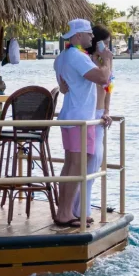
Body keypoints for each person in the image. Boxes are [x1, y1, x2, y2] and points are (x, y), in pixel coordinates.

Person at [53, 19, 113, 227]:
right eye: (88, 33)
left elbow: (63, 87)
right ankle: (65, 214)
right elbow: (103, 78)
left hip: (70, 115)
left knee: (70, 164)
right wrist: (107, 60)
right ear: (78, 35)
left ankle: (65, 211)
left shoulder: (62, 57)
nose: (91, 37)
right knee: (77, 167)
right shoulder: (77, 57)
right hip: (81, 118)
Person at [73, 24, 113, 223]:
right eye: (104, 43)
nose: (106, 47)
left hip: (98, 114)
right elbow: (101, 79)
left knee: (95, 162)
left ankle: (82, 207)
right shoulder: (86, 61)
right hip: (88, 114)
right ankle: (79, 209)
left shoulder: (101, 62)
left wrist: (106, 111)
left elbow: (108, 88)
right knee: (89, 160)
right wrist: (106, 61)